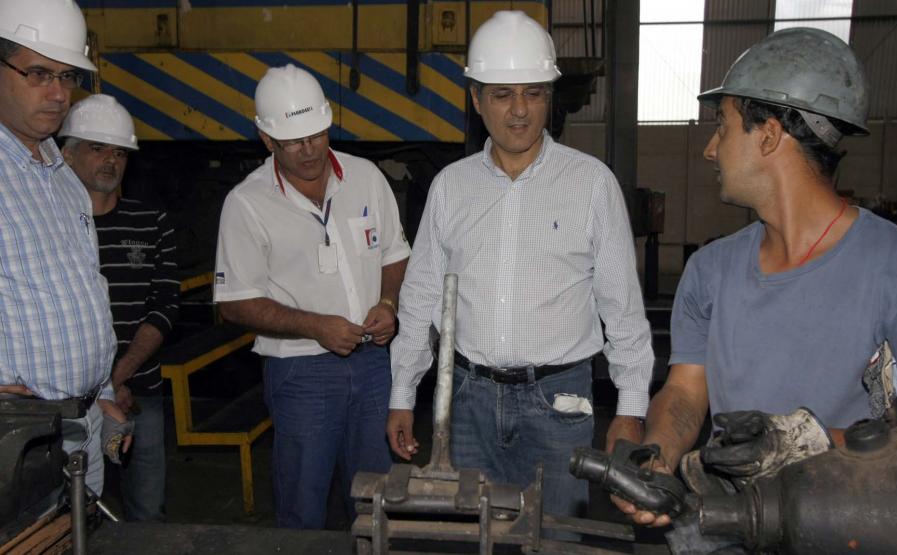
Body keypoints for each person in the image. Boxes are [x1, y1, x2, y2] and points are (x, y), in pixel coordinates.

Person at [615, 27, 897, 529]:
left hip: (845, 527)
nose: (711, 149)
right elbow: (687, 394)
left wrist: (806, 442)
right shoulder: (711, 270)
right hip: (725, 526)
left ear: (769, 134)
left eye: (723, 126)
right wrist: (657, 455)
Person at [387, 10, 654, 520]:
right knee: (475, 532)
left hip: (560, 403)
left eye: (533, 93)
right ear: (476, 100)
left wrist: (632, 408)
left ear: (549, 98)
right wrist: (402, 392)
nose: (518, 111)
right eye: (502, 95)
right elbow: (420, 299)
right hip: (467, 402)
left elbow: (622, 308)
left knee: (555, 536)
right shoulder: (451, 188)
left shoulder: (591, 185)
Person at [214, 64, 411, 529]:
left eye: (317, 135)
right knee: (303, 505)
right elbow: (234, 302)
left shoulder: (365, 178)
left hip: (372, 365)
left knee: (373, 500)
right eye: (293, 141)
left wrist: (388, 303)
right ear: (267, 140)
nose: (309, 150)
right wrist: (314, 326)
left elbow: (395, 252)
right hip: (301, 373)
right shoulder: (247, 204)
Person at [0, 0, 131, 498]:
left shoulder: (63, 179)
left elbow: (82, 292)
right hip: (16, 435)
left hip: (81, 425)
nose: (59, 94)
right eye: (38, 73)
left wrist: (98, 394)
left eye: (67, 76)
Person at [59, 94, 179, 521]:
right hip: (71, 403)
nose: (111, 160)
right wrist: (102, 389)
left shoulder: (152, 223)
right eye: (97, 148)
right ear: (67, 155)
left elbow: (165, 307)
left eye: (119, 152)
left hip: (141, 394)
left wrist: (116, 378)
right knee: (70, 517)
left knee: (148, 515)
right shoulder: (50, 230)